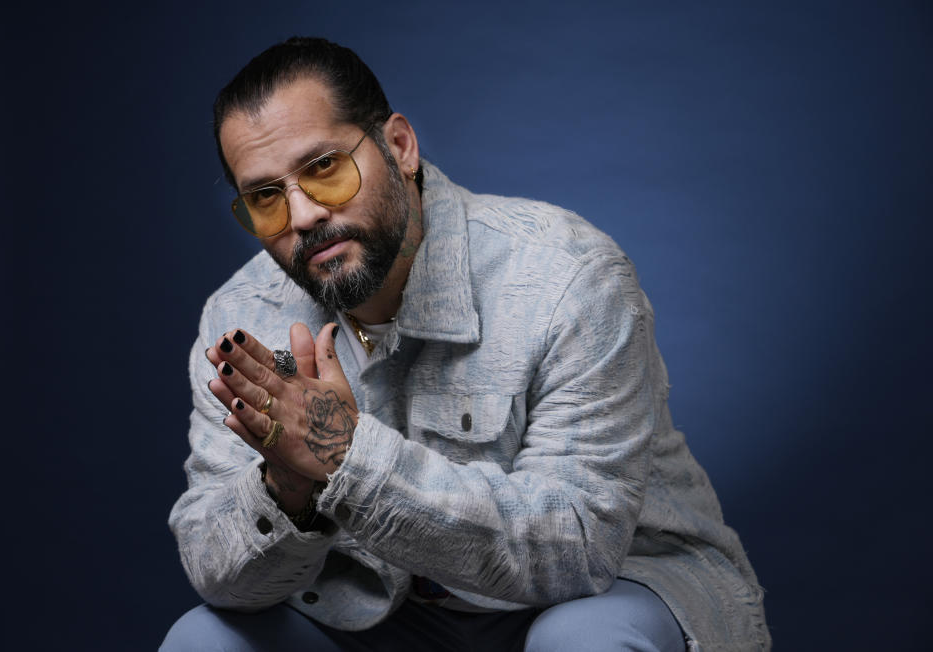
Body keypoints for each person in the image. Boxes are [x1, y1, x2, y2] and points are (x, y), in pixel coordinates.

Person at [163, 37, 771, 651]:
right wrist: (288, 490)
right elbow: (219, 576)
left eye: (324, 167)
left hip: (600, 593)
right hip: (376, 617)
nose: (300, 216)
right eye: (265, 197)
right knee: (203, 641)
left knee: (584, 641)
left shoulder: (567, 277)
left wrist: (346, 459)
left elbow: (578, 549)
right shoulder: (240, 319)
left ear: (398, 146)